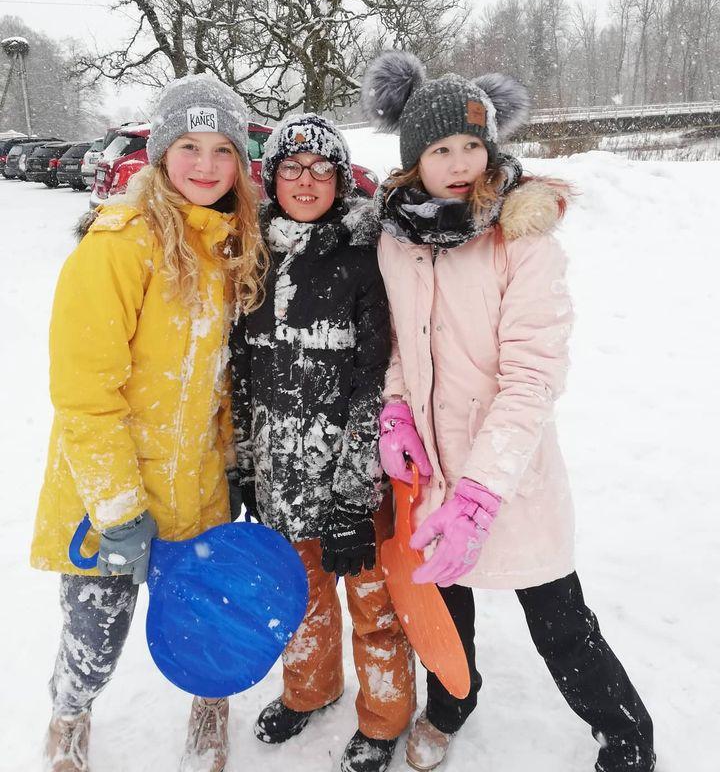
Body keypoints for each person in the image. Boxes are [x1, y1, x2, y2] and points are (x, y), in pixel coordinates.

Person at [361, 51, 656, 772]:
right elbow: (399, 343)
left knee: (559, 622)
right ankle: (451, 705)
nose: (461, 162)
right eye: (441, 149)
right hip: (432, 473)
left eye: (473, 144)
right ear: (414, 158)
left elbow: (533, 378)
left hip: (509, 476)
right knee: (444, 609)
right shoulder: (397, 240)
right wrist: (396, 409)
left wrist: (482, 493)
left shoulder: (521, 238)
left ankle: (626, 737)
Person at [31, 75, 267, 772]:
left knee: (206, 621)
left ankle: (210, 704)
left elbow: (222, 380)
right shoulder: (120, 243)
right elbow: (84, 391)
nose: (206, 165)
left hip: (197, 484)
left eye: (223, 150)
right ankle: (69, 713)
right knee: (95, 636)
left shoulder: (232, 243)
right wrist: (117, 508)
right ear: (161, 152)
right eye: (189, 146)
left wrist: (235, 464)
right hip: (108, 493)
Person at [229, 114, 415, 772]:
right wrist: (244, 468)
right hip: (280, 477)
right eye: (291, 167)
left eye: (321, 169)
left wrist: (353, 498)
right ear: (271, 177)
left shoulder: (364, 261)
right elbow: (242, 375)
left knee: (374, 608)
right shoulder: (253, 257)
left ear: (341, 179)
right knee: (300, 599)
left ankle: (385, 718)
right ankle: (310, 690)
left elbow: (374, 385)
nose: (305, 181)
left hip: (350, 483)